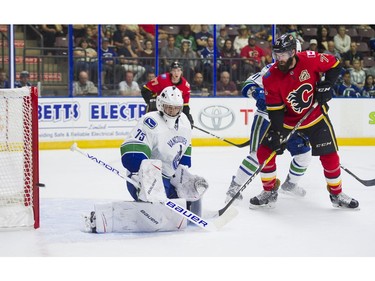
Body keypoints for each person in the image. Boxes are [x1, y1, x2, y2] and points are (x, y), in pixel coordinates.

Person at [249, 33, 359, 209]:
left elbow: (335, 65)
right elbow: (275, 110)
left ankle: (336, 194)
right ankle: (269, 191)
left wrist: (327, 85)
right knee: (264, 152)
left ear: (293, 52)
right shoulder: (271, 77)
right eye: (277, 55)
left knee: (330, 157)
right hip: (286, 121)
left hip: (315, 116)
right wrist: (277, 133)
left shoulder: (310, 59)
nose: (279, 59)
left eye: (283, 54)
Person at [84, 86, 208, 233]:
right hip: (145, 179)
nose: (173, 112)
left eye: (176, 109)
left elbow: (185, 150)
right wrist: (145, 177)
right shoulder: (150, 121)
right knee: (155, 217)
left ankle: (186, 211)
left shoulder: (185, 122)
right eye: (169, 108)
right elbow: (132, 155)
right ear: (161, 105)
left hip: (168, 179)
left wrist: (183, 175)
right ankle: (103, 217)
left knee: (193, 188)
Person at [225, 38, 311, 203]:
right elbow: (248, 84)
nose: (281, 58)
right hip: (266, 117)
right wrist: (258, 93)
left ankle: (290, 185)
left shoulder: (306, 75)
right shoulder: (271, 69)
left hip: (291, 122)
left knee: (304, 155)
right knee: (258, 156)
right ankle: (235, 185)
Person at [141, 61, 194, 127]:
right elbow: (145, 90)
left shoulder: (185, 86)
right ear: (171, 71)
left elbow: (185, 105)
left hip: (172, 113)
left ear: (181, 72)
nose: (176, 73)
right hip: (158, 108)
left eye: (178, 70)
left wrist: (187, 118)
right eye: (174, 70)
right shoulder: (162, 79)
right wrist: (153, 101)